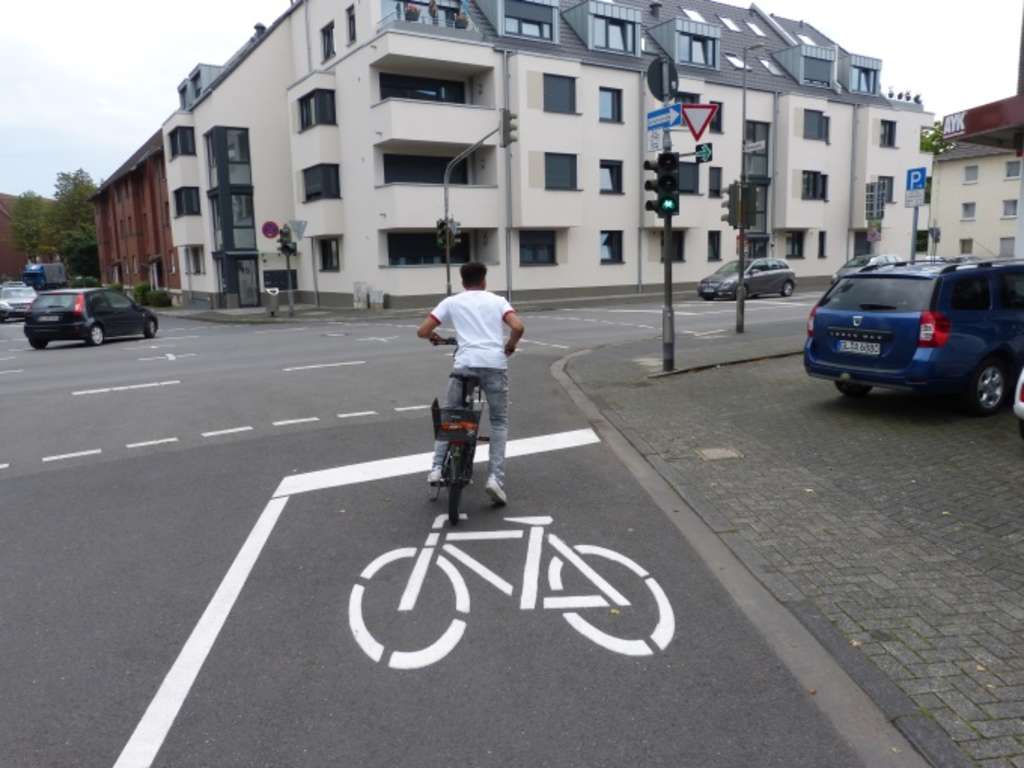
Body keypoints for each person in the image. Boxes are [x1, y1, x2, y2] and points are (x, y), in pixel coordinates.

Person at [417, 262, 525, 505]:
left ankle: (436, 468)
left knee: (450, 415)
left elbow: (422, 331)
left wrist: (434, 336)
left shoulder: (451, 302)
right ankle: (495, 479)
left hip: (464, 365)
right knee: (498, 421)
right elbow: (518, 326)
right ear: (484, 281)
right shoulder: (498, 301)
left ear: (463, 282)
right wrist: (510, 346)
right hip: (494, 365)